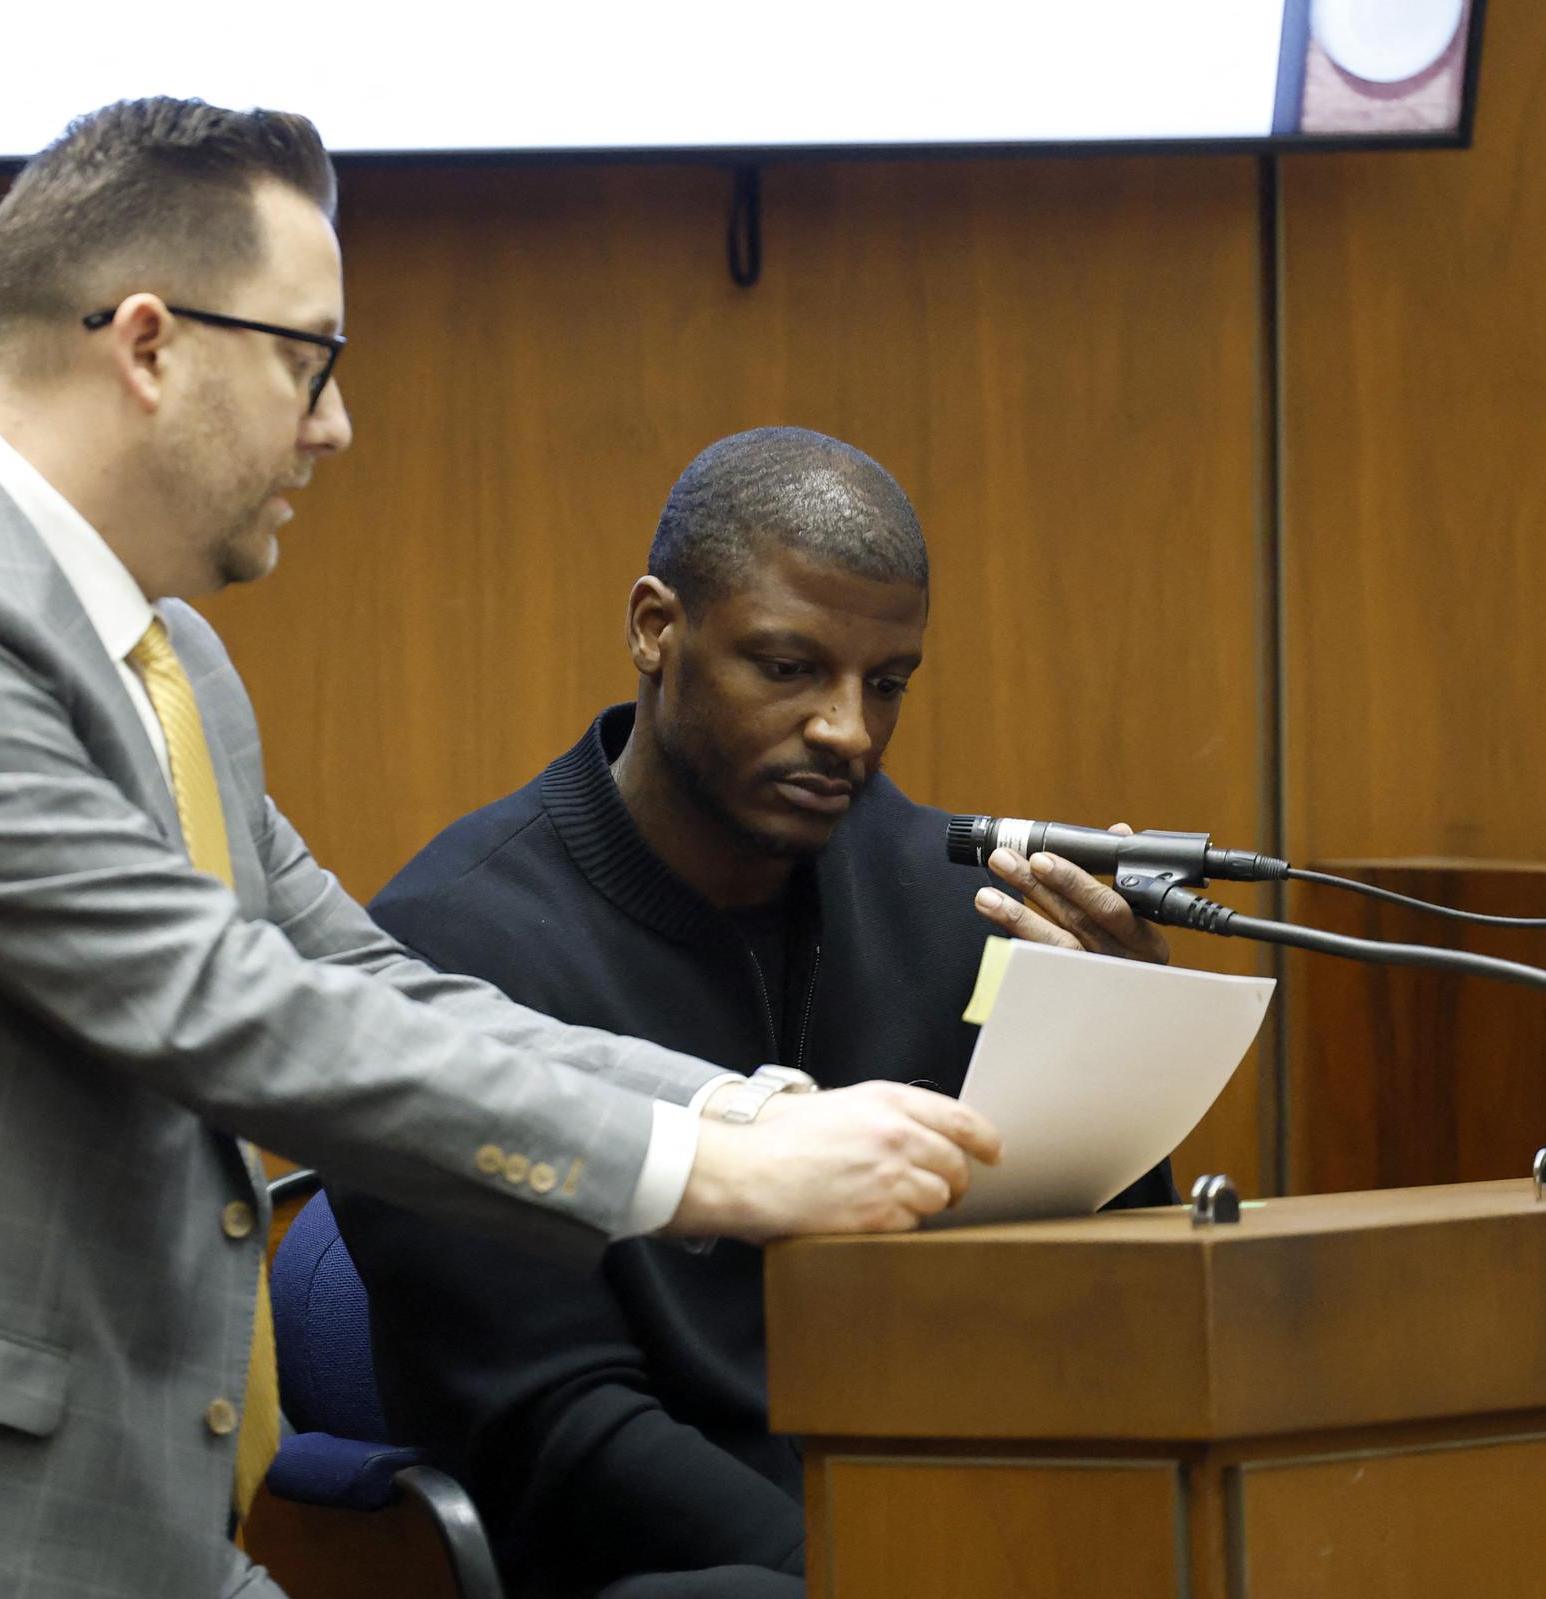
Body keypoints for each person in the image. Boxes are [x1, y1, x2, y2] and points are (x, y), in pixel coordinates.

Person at [0, 106, 1008, 1599]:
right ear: (151, 344)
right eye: (310, 359)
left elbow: (372, 980)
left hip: (102, 1511)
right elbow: (232, 1010)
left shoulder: (175, 670)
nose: (334, 423)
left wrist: (749, 1106)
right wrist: (709, 1174)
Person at [332, 427, 1176, 1599]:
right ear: (655, 628)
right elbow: (554, 1431)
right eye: (789, 669)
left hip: (965, 1532)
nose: (848, 731)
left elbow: (1098, 1303)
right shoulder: (456, 944)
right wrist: (869, 1570)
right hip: (665, 1571)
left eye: (886, 684)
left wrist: (1115, 1042)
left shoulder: (954, 902)